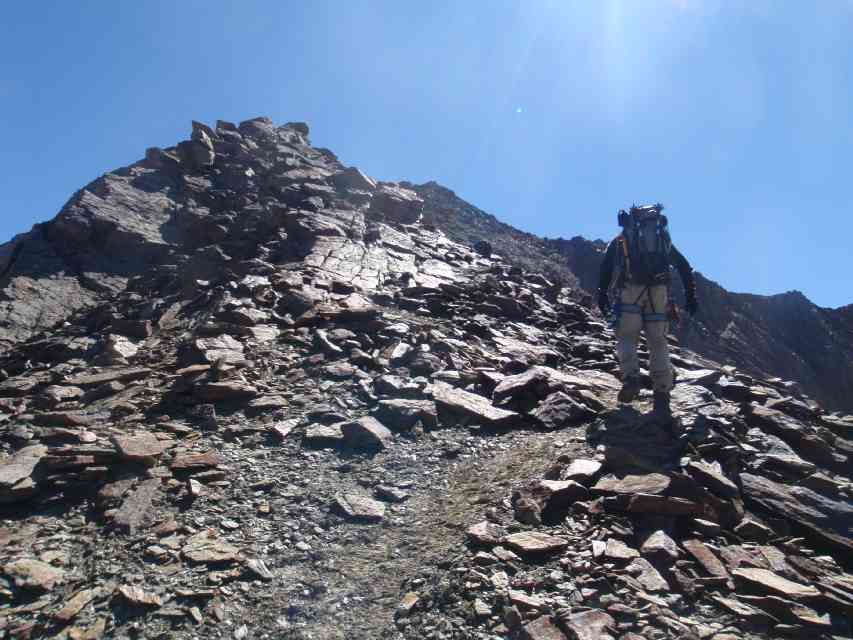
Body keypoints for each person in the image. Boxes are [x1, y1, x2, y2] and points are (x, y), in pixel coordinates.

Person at [596, 204, 698, 420]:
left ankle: (631, 377)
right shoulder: (663, 241)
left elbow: (606, 267)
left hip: (631, 291)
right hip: (659, 294)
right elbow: (684, 266)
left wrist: (601, 293)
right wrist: (691, 296)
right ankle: (661, 390)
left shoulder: (623, 239)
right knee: (658, 341)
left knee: (627, 336)